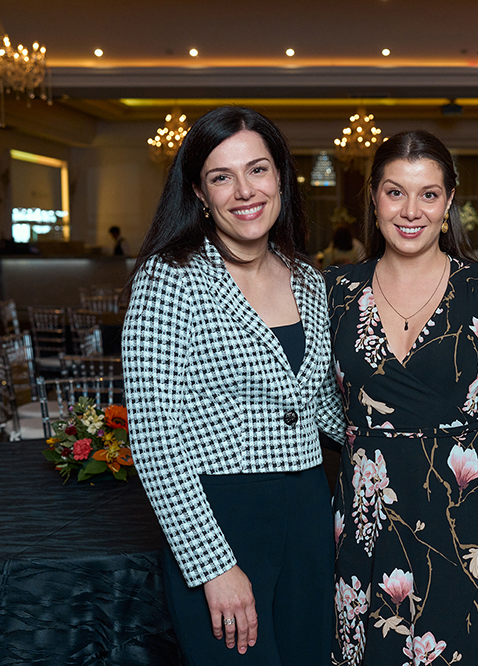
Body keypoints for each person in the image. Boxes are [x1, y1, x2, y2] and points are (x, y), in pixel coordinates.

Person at [123, 106, 345, 665]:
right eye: (222, 177)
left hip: (307, 512)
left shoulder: (306, 277)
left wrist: (408, 432)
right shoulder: (170, 277)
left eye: (258, 170)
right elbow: (154, 439)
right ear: (200, 193)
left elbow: (320, 404)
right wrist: (213, 566)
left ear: (280, 178)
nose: (245, 191)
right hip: (221, 516)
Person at [325, 130, 478, 665]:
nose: (411, 211)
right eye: (395, 192)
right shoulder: (333, 291)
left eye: (428, 194)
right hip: (367, 523)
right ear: (374, 199)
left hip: (463, 527)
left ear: (449, 201)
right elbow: (302, 401)